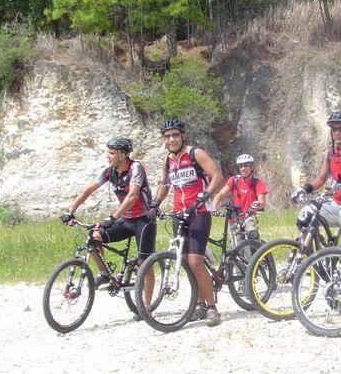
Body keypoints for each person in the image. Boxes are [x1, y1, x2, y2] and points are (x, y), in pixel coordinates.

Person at [60, 137, 157, 317]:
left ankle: (146, 305)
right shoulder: (109, 172)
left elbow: (133, 195)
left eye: (111, 153)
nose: (108, 156)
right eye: (108, 152)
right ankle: (105, 274)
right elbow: (88, 190)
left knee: (146, 263)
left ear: (122, 155)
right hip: (126, 220)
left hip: (144, 220)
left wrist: (113, 217)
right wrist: (70, 210)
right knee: (94, 237)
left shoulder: (136, 168)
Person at [147, 118, 225, 327]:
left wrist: (205, 196)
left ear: (183, 136)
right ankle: (198, 304)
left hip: (198, 212)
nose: (171, 139)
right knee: (187, 264)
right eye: (167, 136)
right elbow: (165, 184)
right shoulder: (168, 160)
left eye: (175, 135)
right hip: (178, 214)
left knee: (196, 262)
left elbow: (217, 176)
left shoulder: (195, 153)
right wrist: (155, 204)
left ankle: (211, 308)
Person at [290, 110, 341, 254]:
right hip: (335, 206)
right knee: (305, 216)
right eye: (334, 129)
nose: (337, 132)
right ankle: (313, 262)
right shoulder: (330, 153)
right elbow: (321, 179)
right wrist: (305, 188)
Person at [211, 154, 268, 242]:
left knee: (252, 232)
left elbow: (262, 202)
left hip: (248, 216)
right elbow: (220, 195)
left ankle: (258, 251)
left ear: (252, 167)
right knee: (236, 246)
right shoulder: (234, 180)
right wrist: (214, 207)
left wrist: (256, 205)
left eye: (246, 166)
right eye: (241, 166)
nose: (243, 169)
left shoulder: (258, 183)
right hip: (234, 217)